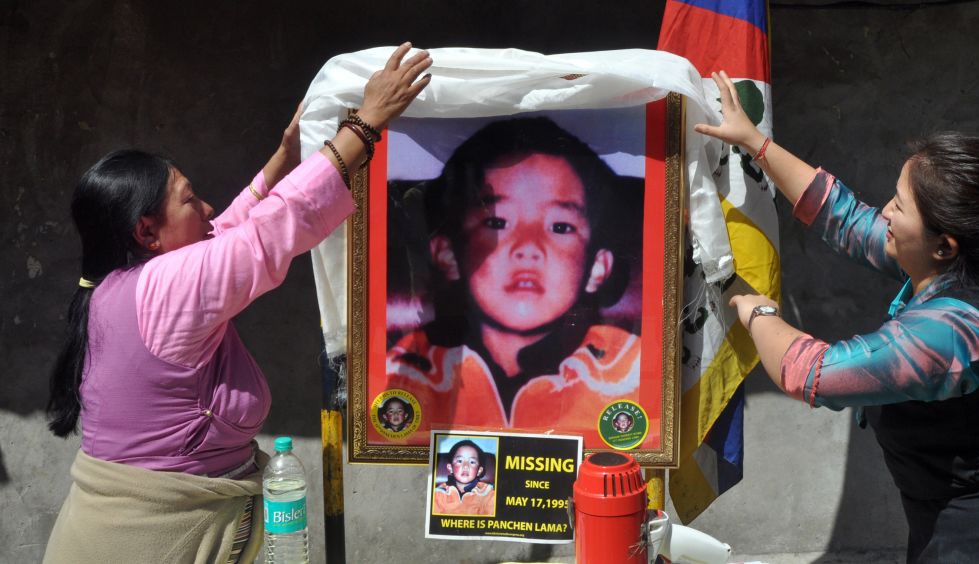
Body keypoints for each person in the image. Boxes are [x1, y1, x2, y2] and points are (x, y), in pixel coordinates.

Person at [42, 44, 432, 564]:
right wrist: (365, 125)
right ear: (146, 232)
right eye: (187, 198)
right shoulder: (164, 288)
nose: (206, 208)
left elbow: (228, 227)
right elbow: (267, 232)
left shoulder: (119, 286)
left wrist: (284, 159)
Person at [697, 71, 979, 563]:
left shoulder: (953, 334)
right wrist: (755, 142)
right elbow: (841, 216)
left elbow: (814, 373)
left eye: (898, 205)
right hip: (955, 537)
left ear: (944, 244)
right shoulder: (958, 263)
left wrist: (754, 306)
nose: (883, 212)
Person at [381, 117, 652, 445]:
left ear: (597, 267)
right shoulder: (409, 372)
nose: (528, 248)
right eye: (497, 222)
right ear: (448, 255)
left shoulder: (631, 373)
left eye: (560, 227)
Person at [432, 439, 496, 516]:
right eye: (460, 461)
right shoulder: (438, 494)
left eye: (472, 462)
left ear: (479, 470)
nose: (466, 466)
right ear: (450, 468)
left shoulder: (488, 494)